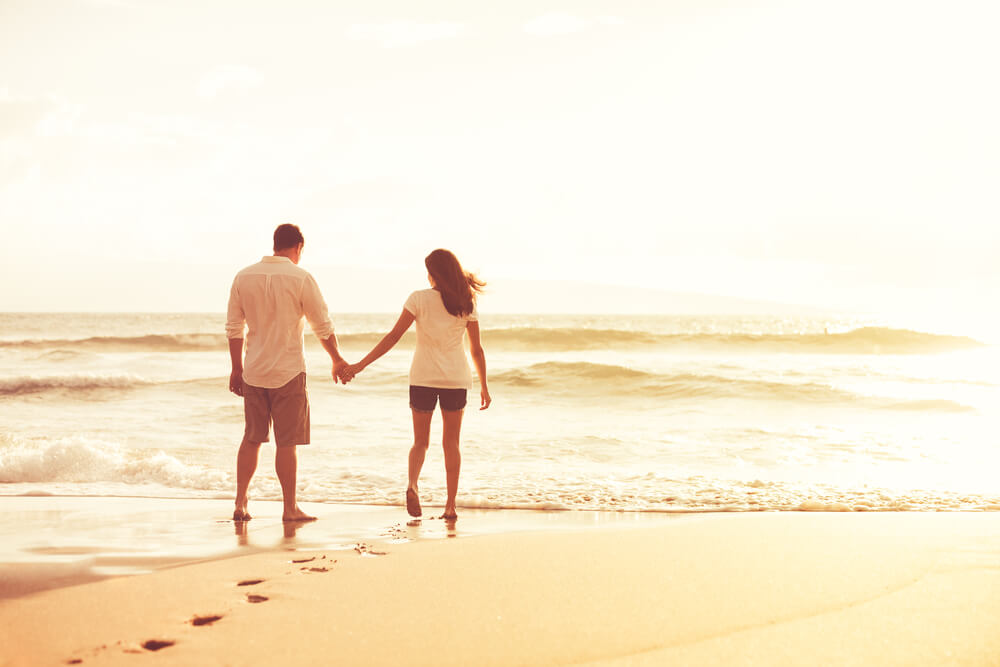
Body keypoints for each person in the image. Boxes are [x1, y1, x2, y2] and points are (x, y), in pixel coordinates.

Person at [344, 249, 490, 521]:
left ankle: (412, 484)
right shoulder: (466, 302)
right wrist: (484, 385)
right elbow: (477, 350)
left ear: (433, 274)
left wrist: (359, 365)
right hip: (455, 380)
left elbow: (393, 337)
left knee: (420, 442)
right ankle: (450, 506)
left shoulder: (418, 299)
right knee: (451, 444)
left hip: (423, 378)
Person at [225, 223, 350, 523]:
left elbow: (233, 327)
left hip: (253, 370)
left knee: (251, 438)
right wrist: (336, 359)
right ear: (298, 248)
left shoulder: (243, 276)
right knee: (286, 443)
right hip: (289, 371)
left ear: (274, 244)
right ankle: (289, 508)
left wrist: (236, 368)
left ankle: (241, 502)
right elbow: (322, 324)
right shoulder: (301, 277)